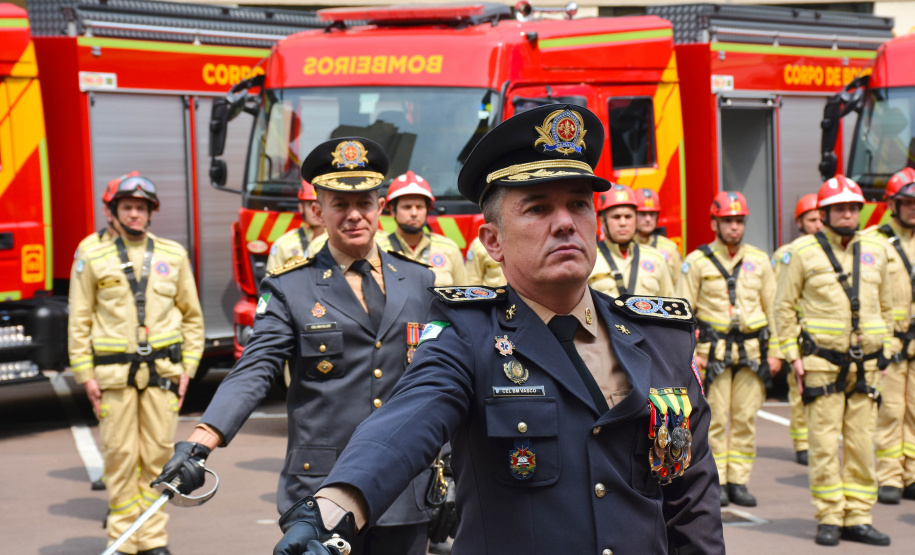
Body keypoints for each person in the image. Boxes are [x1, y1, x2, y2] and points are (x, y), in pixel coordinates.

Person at [270, 104, 725, 555]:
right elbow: (407, 421)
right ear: (493, 241)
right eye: (538, 207)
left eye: (578, 204)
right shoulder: (466, 336)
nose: (565, 223)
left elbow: (691, 502)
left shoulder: (660, 339)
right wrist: (332, 509)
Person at [153, 137, 436, 555]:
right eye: (340, 204)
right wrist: (201, 441)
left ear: (381, 207)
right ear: (318, 211)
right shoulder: (290, 286)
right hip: (323, 487)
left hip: (405, 486)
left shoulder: (420, 280)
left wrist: (449, 473)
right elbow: (256, 368)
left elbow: (438, 379)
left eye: (364, 202)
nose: (354, 214)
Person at [68, 174, 204, 555]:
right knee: (120, 458)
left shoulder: (172, 255)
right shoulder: (91, 254)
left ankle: (153, 540)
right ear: (112, 212)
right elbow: (79, 319)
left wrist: (188, 370)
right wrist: (85, 375)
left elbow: (192, 318)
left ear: (150, 213)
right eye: (127, 207)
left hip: (164, 376)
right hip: (113, 378)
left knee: (160, 458)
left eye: (141, 208)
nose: (134, 214)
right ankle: (124, 541)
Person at [775, 175, 893, 546]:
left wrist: (887, 347)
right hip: (821, 364)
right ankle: (829, 517)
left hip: (867, 365)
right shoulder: (802, 252)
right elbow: (783, 307)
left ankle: (858, 517)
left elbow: (887, 305)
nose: (847, 215)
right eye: (839, 208)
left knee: (862, 444)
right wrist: (792, 355)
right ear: (823, 213)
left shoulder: (876, 250)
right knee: (824, 444)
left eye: (853, 208)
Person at [676, 191, 780, 508]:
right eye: (727, 221)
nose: (734, 227)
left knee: (746, 418)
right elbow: (684, 310)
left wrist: (775, 351)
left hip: (751, 351)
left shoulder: (759, 261)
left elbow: (773, 308)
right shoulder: (696, 262)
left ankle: (739, 481)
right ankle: (718, 480)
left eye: (739, 221)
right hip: (713, 353)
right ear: (714, 223)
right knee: (716, 419)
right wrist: (689, 354)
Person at [869, 167, 915, 504]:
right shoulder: (873, 241)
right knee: (890, 411)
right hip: (892, 343)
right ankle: (889, 477)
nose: (913, 208)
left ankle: (912, 474)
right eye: (907, 202)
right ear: (891, 204)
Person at [772, 193, 822, 466]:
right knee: (799, 390)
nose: (817, 224)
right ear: (800, 222)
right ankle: (802, 443)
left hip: (822, 334)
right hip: (800, 334)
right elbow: (780, 300)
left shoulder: (829, 252)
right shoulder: (787, 254)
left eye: (819, 218)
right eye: (811, 219)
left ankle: (817, 441)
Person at [382, 171, 467, 286]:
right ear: (392, 210)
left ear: (427, 210)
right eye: (407, 207)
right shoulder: (378, 250)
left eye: (419, 207)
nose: (414, 213)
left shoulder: (450, 249)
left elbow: (463, 292)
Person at [589, 183, 673, 297]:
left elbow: (669, 303)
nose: (623, 223)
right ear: (602, 220)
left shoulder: (657, 259)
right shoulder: (589, 260)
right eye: (616, 217)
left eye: (628, 216)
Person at [266, 180, 326, 270]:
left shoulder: (335, 242)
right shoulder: (283, 245)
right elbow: (271, 277)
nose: (316, 210)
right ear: (301, 208)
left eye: (320, 204)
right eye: (310, 205)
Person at [633, 188, 683, 286]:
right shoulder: (625, 247)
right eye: (642, 214)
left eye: (652, 214)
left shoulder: (670, 248)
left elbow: (679, 285)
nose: (648, 219)